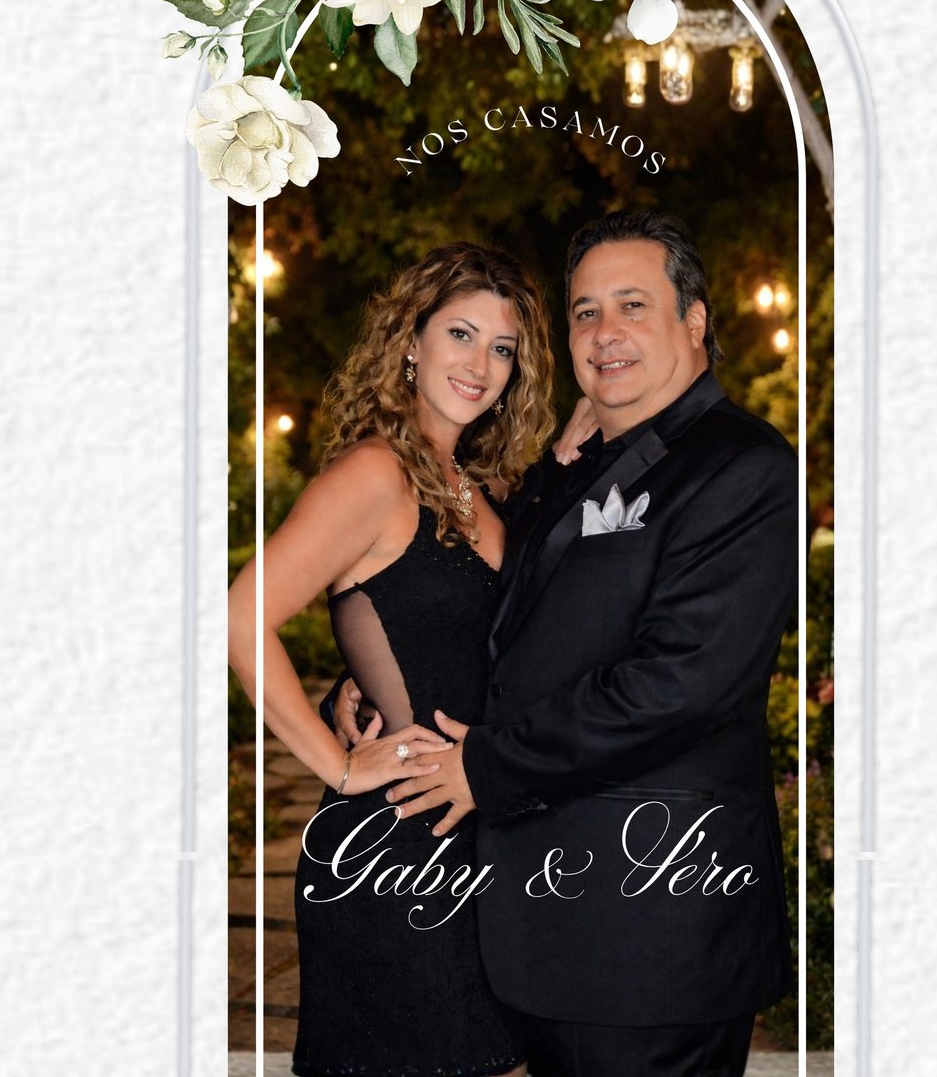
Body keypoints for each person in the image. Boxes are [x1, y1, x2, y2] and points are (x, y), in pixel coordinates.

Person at [339, 213, 800, 1077]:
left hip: (653, 938)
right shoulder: (574, 465)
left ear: (696, 321)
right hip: (537, 933)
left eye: (633, 303)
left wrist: (485, 767)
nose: (604, 331)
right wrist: (373, 669)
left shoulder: (743, 467)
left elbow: (676, 684)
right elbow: (496, 616)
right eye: (585, 311)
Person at [227, 242, 559, 1077]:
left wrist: (359, 678)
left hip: (480, 839)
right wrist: (338, 766)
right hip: (395, 851)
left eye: (503, 347)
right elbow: (238, 620)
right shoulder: (376, 471)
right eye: (459, 333)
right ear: (410, 341)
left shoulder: (473, 483)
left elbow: (441, 632)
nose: (480, 363)